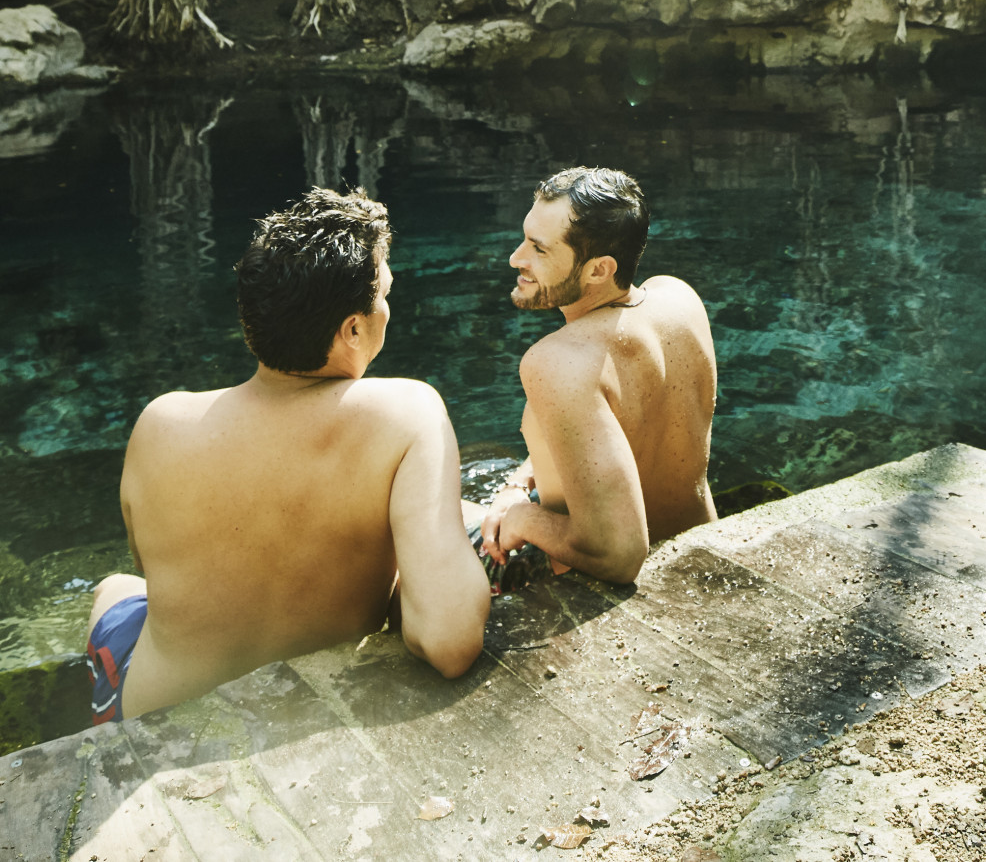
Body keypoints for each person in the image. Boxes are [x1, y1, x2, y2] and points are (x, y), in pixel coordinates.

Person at [81, 188, 490, 722]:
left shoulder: (160, 421)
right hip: (306, 718)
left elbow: (160, 578)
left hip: (157, 719)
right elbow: (449, 642)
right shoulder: (406, 413)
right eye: (385, 293)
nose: (388, 307)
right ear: (353, 329)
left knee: (116, 587)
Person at [471, 166, 718, 588]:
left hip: (584, 576)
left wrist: (523, 517)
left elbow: (620, 554)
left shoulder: (556, 360)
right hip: (699, 541)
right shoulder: (680, 300)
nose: (516, 258)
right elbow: (613, 429)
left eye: (539, 249)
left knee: (425, 509)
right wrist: (519, 483)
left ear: (599, 270)